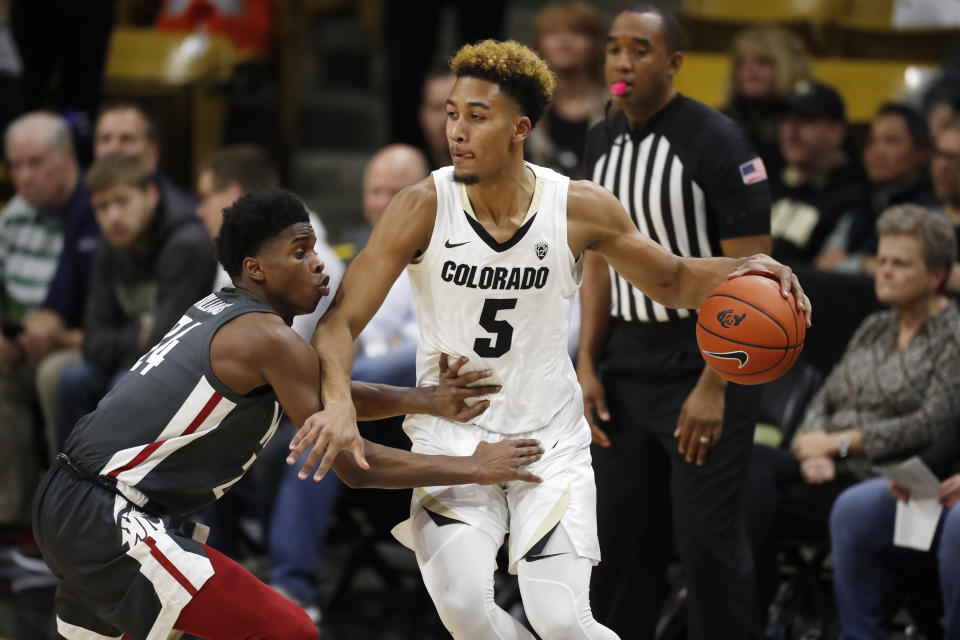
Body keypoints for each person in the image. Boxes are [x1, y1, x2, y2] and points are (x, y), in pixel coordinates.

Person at [304, 37, 809, 640]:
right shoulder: (421, 205)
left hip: (548, 438)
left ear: (519, 128)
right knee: (466, 609)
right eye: (451, 114)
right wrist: (338, 403)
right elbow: (339, 323)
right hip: (453, 434)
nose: (457, 131)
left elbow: (671, 279)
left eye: (477, 116)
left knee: (563, 621)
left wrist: (747, 267)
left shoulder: (577, 206)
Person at [32, 188, 544, 640]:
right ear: (255, 268)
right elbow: (352, 463)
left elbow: (329, 395)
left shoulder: (224, 312)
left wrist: (425, 400)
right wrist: (476, 467)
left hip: (74, 503)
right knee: (287, 630)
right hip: (110, 514)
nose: (318, 263)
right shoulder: (268, 338)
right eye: (299, 252)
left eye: (315, 249)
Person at [576, 7, 773, 639]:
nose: (623, 62)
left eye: (640, 49)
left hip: (708, 356)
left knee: (705, 546)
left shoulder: (718, 141)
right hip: (626, 362)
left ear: (674, 62)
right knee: (617, 540)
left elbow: (756, 279)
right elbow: (599, 266)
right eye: (613, 49)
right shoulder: (600, 139)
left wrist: (715, 386)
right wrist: (587, 364)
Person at [745, 204, 960, 617]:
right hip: (825, 463)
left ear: (936, 275)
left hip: (886, 471)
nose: (886, 271)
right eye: (882, 260)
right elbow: (825, 396)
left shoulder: (951, 336)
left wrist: (841, 445)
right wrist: (812, 447)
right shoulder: (875, 326)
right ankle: (748, 609)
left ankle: (758, 610)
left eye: (901, 263)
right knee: (747, 463)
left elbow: (933, 421)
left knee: (757, 492)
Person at [55, 153, 216, 448]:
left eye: (122, 201)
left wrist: (130, 340)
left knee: (124, 385)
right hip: (130, 360)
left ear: (151, 195)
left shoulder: (185, 244)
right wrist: (135, 338)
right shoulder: (110, 243)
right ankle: (72, 481)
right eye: (102, 207)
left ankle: (119, 488)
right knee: (72, 380)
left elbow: (166, 349)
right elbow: (93, 340)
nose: (112, 216)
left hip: (189, 374)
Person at [0, 111, 96, 527]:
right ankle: (15, 523)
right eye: (15, 165)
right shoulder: (16, 213)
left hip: (83, 344)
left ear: (68, 158)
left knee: (56, 375)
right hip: (29, 340)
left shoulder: (96, 211)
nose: (23, 177)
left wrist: (58, 338)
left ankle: (67, 518)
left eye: (35, 163)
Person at [830, 409, 960, 638]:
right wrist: (919, 472)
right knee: (855, 510)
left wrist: (838, 444)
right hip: (948, 489)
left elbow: (925, 421)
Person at [821, 103, 940, 272]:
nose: (877, 151)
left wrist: (856, 264)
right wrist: (863, 264)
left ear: (921, 152)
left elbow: (908, 271)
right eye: (871, 141)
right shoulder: (862, 198)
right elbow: (825, 262)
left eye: (891, 141)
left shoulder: (933, 210)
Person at [767, 80, 867, 267]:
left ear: (836, 132)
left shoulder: (857, 195)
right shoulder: (767, 183)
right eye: (786, 119)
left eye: (806, 119)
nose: (791, 130)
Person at [526, 1, 607, 177]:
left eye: (576, 32)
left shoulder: (615, 104)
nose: (564, 41)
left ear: (596, 43)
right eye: (554, 33)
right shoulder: (524, 105)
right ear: (539, 43)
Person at [724, 25, 812, 180]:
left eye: (763, 62)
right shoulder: (725, 118)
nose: (749, 70)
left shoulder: (814, 115)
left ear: (789, 66)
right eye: (741, 63)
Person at [418, 66, 457, 170]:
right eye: (436, 108)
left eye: (452, 110)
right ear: (422, 115)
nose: (444, 120)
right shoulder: (411, 173)